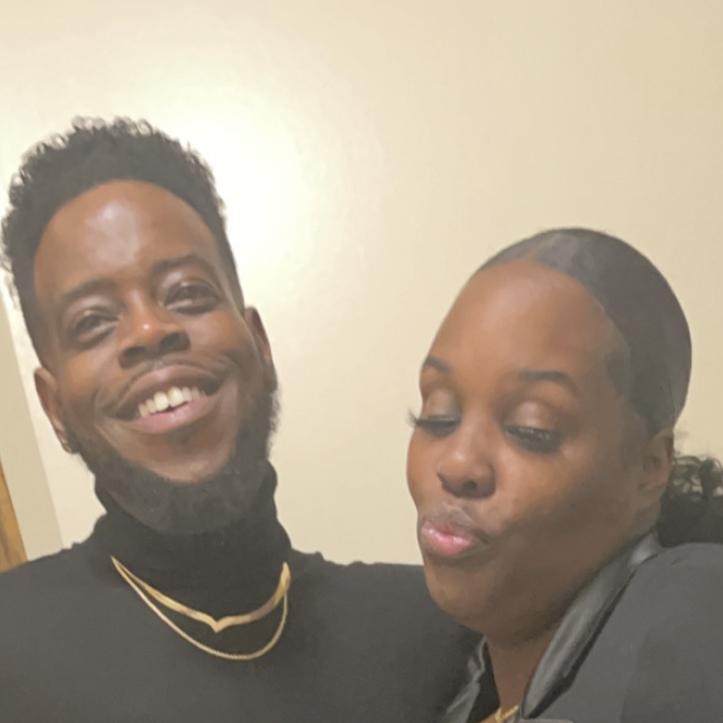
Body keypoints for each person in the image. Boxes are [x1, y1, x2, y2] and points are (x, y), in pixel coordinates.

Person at [0, 118, 472, 722]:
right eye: (92, 322)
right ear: (55, 407)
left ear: (259, 344)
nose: (150, 330)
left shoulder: (434, 633)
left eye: (187, 293)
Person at [406, 228, 723, 723]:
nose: (458, 463)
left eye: (531, 429)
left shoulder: (694, 612)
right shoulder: (459, 684)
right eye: (439, 415)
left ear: (649, 467)